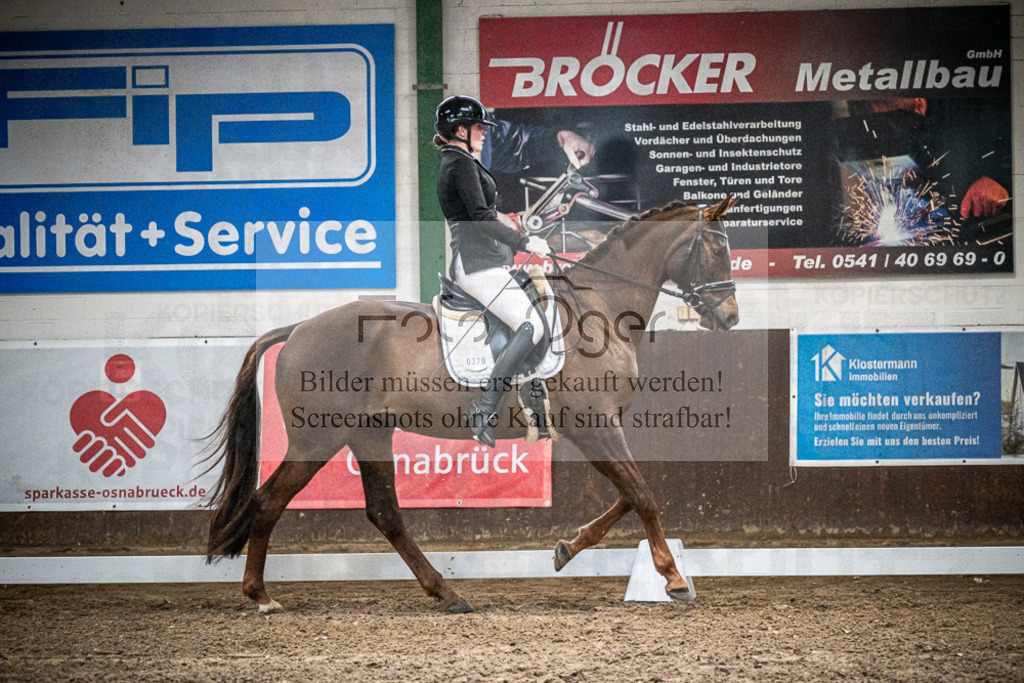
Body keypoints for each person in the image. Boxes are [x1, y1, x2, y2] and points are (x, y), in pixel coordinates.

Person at [434, 95, 552, 447]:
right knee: (530, 326)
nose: (485, 134)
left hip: (486, 260)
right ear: (460, 130)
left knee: (533, 310)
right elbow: (481, 219)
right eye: (480, 128)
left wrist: (524, 234)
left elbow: (488, 212)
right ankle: (484, 407)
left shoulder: (462, 161)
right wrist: (524, 243)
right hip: (477, 264)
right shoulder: (459, 164)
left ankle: (533, 399)